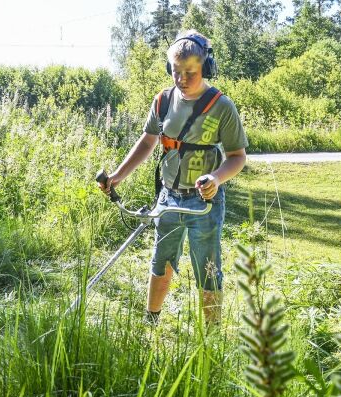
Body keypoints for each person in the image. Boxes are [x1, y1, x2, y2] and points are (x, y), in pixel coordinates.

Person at [99, 30, 248, 326]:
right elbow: (147, 142)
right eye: (176, 71)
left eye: (189, 72)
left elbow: (237, 157)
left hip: (204, 204)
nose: (181, 78)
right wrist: (118, 176)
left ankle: (212, 336)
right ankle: (151, 322)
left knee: (207, 267)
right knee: (160, 260)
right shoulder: (163, 101)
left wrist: (216, 179)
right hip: (168, 198)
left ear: (206, 68)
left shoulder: (221, 107)